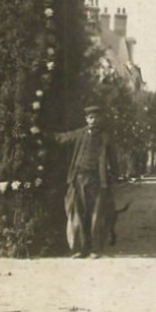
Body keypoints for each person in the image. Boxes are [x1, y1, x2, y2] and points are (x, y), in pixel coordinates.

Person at [54, 104, 118, 259]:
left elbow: (113, 158)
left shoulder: (105, 137)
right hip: (79, 179)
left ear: (100, 119)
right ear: (86, 119)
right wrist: (43, 133)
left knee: (96, 215)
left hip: (98, 180)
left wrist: (115, 175)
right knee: (79, 214)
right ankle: (81, 249)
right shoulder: (80, 134)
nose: (93, 120)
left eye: (96, 117)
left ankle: (95, 249)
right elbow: (62, 138)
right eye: (90, 117)